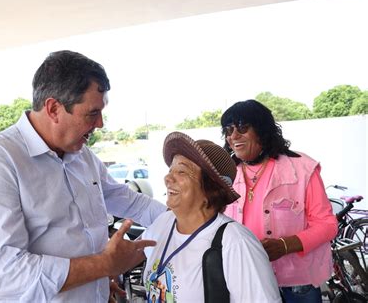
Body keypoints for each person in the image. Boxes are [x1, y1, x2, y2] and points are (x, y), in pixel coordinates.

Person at [0, 50, 167, 302]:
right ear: (54, 108)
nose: (100, 123)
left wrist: (185, 217)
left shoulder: (83, 156)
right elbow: (6, 275)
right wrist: (104, 266)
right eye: (92, 113)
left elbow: (126, 200)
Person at [141, 131, 282, 302]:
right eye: (171, 170)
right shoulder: (164, 223)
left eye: (182, 172)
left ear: (210, 189)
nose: (168, 178)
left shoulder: (236, 242)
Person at [221, 100, 338, 303]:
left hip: (297, 283)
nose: (233, 136)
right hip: (247, 279)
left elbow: (327, 225)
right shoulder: (227, 175)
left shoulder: (302, 168)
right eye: (228, 130)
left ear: (262, 130)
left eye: (242, 127)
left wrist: (284, 246)